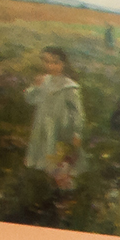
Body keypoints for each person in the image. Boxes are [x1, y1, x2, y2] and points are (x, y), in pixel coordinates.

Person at [21, 46, 82, 190]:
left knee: (58, 156)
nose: (50, 66)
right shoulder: (43, 81)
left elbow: (77, 113)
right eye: (47, 62)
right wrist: (35, 86)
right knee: (43, 152)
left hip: (60, 128)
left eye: (55, 63)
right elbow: (30, 99)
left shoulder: (69, 86)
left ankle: (61, 186)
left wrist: (77, 132)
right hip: (42, 125)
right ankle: (45, 185)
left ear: (63, 64)